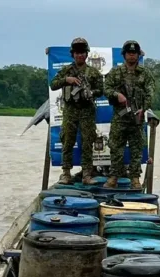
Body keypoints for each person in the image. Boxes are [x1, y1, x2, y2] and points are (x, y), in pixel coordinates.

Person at [49, 37, 104, 185]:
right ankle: (66, 173)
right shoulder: (66, 71)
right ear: (73, 54)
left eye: (82, 53)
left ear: (86, 54)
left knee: (87, 142)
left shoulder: (93, 72)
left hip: (87, 110)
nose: (80, 55)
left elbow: (101, 90)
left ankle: (87, 174)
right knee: (67, 141)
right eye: (77, 53)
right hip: (70, 110)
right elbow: (53, 84)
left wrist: (92, 92)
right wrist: (67, 80)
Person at [103, 40, 156, 190]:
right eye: (129, 53)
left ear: (138, 55)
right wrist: (117, 95)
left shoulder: (145, 74)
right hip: (120, 117)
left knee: (136, 149)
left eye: (134, 53)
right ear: (124, 55)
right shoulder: (116, 72)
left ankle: (135, 179)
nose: (131, 56)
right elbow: (106, 88)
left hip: (137, 117)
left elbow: (150, 93)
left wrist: (143, 108)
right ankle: (113, 177)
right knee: (116, 147)